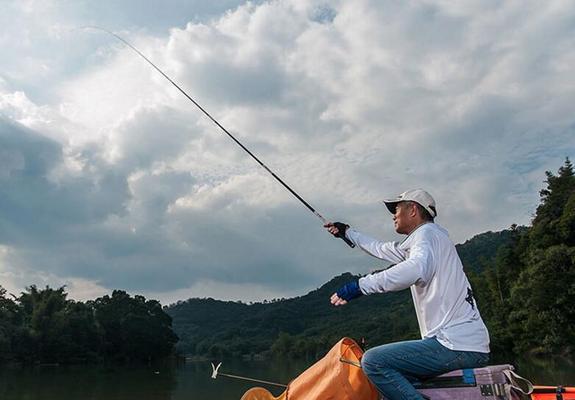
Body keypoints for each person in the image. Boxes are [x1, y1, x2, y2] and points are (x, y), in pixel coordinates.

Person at [325, 189, 490, 400]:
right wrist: (347, 232)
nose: (393, 215)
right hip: (464, 345)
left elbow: (416, 268)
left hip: (455, 346)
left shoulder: (426, 235)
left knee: (374, 361)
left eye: (397, 209)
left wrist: (359, 286)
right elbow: (380, 248)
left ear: (413, 209)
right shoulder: (428, 240)